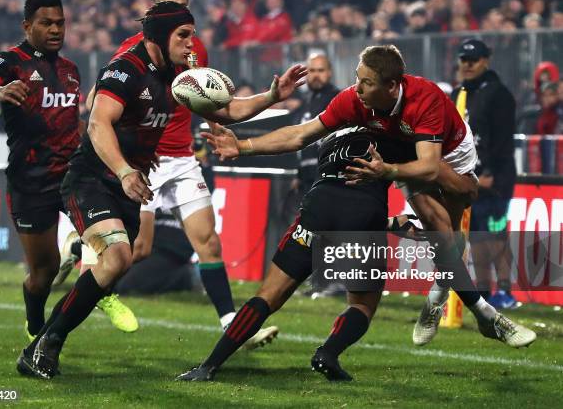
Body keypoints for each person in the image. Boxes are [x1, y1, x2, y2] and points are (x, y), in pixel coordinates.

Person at [16, 1, 307, 380]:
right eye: (184, 35)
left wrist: (273, 96)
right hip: (91, 179)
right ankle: (47, 342)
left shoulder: (180, 75)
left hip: (130, 185)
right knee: (119, 256)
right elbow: (98, 125)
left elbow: (227, 111)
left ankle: (39, 345)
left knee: (119, 260)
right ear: (159, 35)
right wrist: (122, 170)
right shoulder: (125, 70)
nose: (191, 44)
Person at [195, 45, 535, 351]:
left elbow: (431, 167)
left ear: (392, 87)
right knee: (438, 228)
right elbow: (302, 134)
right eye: (357, 80)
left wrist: (386, 172)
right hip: (405, 158)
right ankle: (485, 314)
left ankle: (437, 295)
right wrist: (242, 147)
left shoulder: (425, 100)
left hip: (448, 154)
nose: (357, 89)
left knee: (460, 213)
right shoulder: (353, 100)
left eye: (366, 83)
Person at [178, 127, 423, 382]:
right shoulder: (396, 131)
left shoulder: (333, 127)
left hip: (318, 206)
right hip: (363, 213)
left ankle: (208, 366)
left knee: (267, 295)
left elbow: (297, 139)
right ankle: (327, 353)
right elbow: (425, 172)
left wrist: (242, 145)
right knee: (362, 304)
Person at [0, 0, 83, 342]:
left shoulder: (71, 71)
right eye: (46, 23)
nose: (55, 29)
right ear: (28, 26)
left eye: (60, 23)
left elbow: (73, 122)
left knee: (112, 244)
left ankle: (87, 263)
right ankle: (35, 326)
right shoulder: (11, 61)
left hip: (72, 176)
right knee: (43, 273)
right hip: (31, 180)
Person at [452, 38, 518, 308]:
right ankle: (483, 290)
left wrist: (492, 174)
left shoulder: (498, 93)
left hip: (494, 178)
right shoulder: (459, 93)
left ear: (485, 61)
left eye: (473, 60)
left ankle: (505, 290)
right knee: (475, 235)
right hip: (468, 176)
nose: (467, 65)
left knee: (496, 235)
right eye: (463, 60)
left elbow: (503, 138)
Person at [291, 51, 340, 193]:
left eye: (321, 70)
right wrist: (299, 174)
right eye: (312, 70)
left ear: (329, 72)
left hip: (330, 175)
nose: (316, 75)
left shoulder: (338, 98)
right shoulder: (305, 101)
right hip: (307, 176)